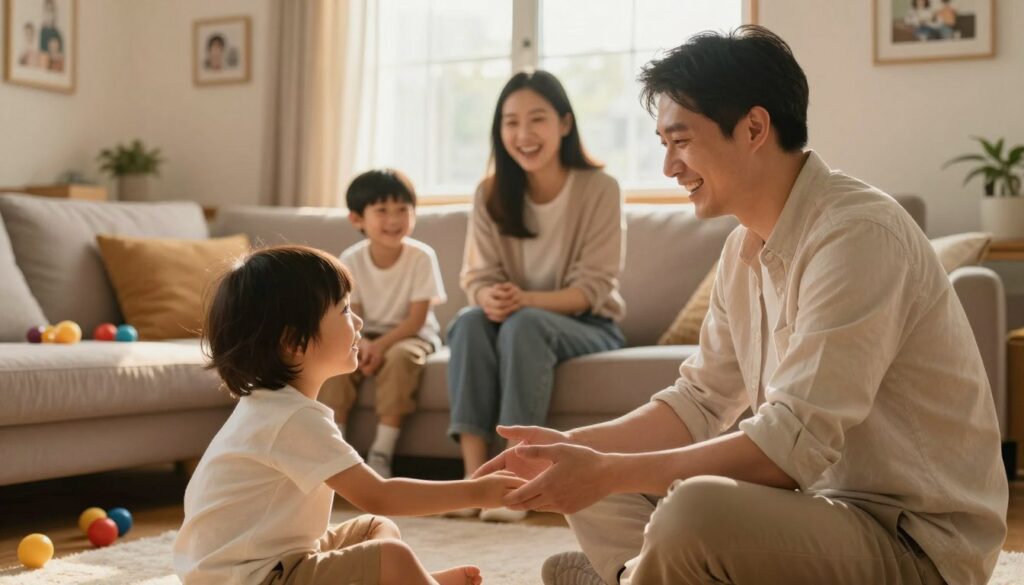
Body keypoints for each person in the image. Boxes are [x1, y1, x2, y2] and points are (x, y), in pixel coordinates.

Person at [476, 26, 1008, 585]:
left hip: (915, 545)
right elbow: (699, 402)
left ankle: (629, 574)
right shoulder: (741, 248)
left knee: (690, 510)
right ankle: (644, 572)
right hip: (820, 514)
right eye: (663, 145)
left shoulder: (857, 234)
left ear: (754, 127)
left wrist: (607, 469)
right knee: (588, 475)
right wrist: (575, 449)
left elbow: (789, 447)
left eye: (681, 141)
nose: (669, 168)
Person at [173, 245, 523, 585]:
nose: (358, 321)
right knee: (391, 557)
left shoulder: (275, 407)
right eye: (343, 310)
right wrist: (477, 492)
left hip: (272, 562)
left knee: (375, 529)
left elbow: (375, 508)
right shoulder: (290, 419)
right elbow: (379, 493)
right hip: (251, 578)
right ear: (294, 342)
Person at [446, 70, 626, 522]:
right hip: (514, 320)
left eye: (537, 119)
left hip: (591, 326)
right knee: (468, 320)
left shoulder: (600, 188)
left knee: (524, 324)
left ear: (565, 124)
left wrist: (522, 301)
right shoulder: (489, 194)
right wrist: (489, 297)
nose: (523, 134)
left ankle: (518, 484)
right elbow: (479, 274)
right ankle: (476, 483)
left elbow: (593, 288)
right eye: (510, 122)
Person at [319, 169, 447, 479]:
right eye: (382, 211)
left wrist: (380, 346)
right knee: (336, 363)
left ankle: (381, 452)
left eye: (403, 209)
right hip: (365, 333)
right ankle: (335, 451)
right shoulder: (351, 258)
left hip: (412, 335)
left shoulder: (421, 256)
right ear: (357, 219)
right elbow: (350, 314)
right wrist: (362, 343)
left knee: (401, 359)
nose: (394, 219)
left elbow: (417, 319)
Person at [38, 0, 63, 70]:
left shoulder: (58, 34)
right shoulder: (42, 32)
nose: (49, 14)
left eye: (51, 10)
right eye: (47, 10)